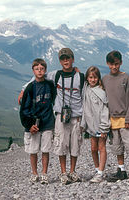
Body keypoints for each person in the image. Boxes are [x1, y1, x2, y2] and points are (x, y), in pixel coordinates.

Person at [18, 48, 84, 185]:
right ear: (60, 61)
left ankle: (72, 172)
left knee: (75, 145)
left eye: (68, 58)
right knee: (61, 144)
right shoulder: (55, 75)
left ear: (73, 59)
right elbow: (38, 77)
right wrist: (24, 89)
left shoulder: (80, 76)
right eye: (62, 58)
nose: (65, 60)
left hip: (76, 115)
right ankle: (63, 173)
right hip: (61, 115)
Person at [102, 50, 129, 181]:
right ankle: (121, 169)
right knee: (117, 146)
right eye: (111, 64)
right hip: (112, 119)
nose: (114, 67)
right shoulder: (105, 79)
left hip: (125, 118)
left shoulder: (126, 78)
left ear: (121, 63)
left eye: (117, 64)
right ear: (107, 64)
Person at [19, 58, 56, 184]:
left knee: (46, 149)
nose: (39, 71)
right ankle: (34, 173)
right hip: (34, 123)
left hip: (48, 121)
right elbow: (24, 109)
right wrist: (29, 125)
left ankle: (44, 173)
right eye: (37, 69)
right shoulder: (30, 88)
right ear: (33, 71)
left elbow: (55, 99)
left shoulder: (50, 85)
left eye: (42, 69)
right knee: (33, 150)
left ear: (45, 70)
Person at [80, 66, 110, 183]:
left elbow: (104, 110)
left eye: (95, 77)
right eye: (90, 77)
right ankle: (97, 169)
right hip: (91, 125)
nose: (92, 80)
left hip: (100, 125)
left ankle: (100, 173)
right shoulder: (86, 88)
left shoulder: (101, 92)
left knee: (101, 148)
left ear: (98, 78)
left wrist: (104, 128)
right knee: (93, 148)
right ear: (87, 78)